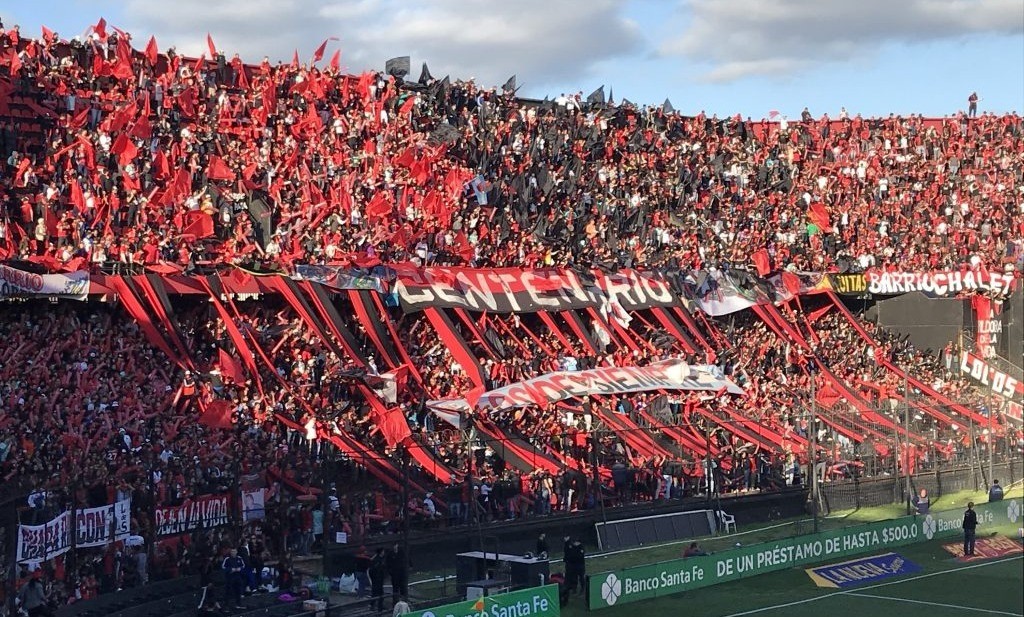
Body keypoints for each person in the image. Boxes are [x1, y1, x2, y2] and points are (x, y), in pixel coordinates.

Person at [370, 548, 387, 613]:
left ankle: (380, 605)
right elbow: (373, 570)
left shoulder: (381, 559)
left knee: (380, 593)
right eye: (383, 551)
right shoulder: (376, 560)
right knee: (375, 593)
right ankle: (372, 605)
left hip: (380, 578)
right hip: (376, 579)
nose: (384, 552)